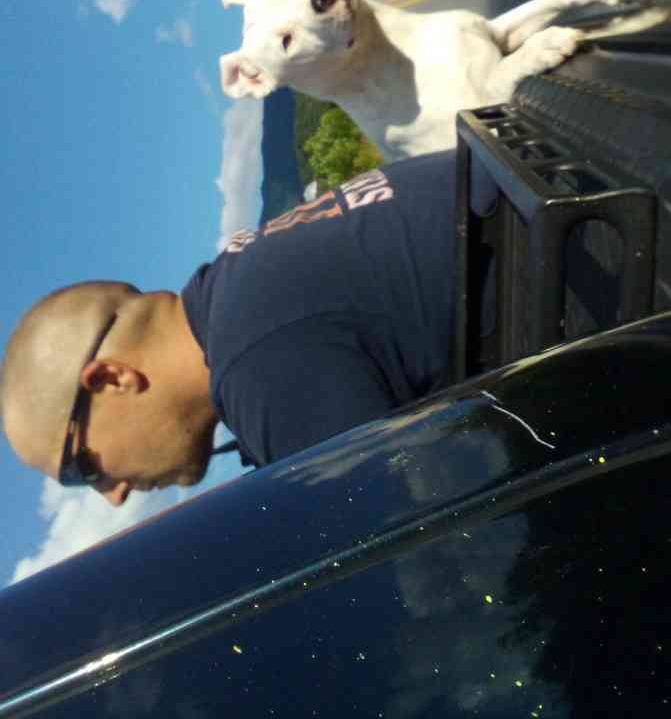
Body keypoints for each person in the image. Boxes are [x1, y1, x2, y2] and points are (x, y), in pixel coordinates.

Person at [1, 151, 474, 508]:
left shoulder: (257, 363)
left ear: (111, 378)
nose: (115, 495)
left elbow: (433, 562)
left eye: (82, 469)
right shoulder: (245, 287)